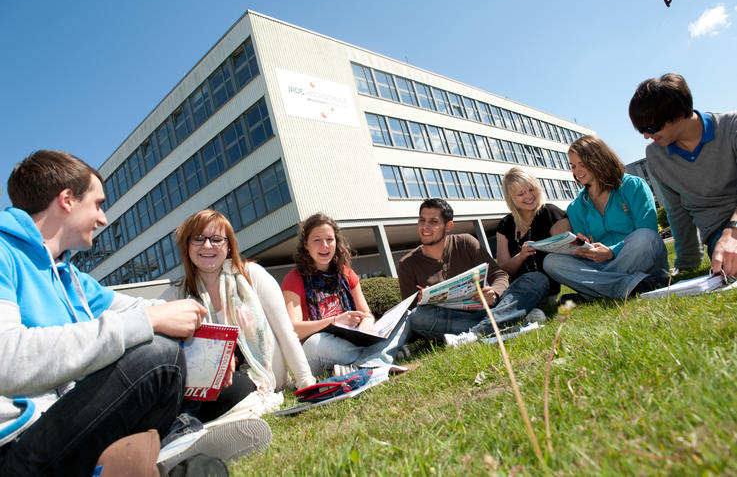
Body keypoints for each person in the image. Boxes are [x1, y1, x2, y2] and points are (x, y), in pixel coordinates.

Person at [0, 151, 269, 476]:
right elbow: (8, 359)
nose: (103, 220)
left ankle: (171, 450)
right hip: (21, 446)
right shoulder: (4, 253)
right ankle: (175, 439)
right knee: (159, 355)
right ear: (67, 199)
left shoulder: (72, 279)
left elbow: (148, 309)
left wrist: (211, 345)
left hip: (71, 422)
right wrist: (149, 322)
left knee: (230, 392)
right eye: (98, 204)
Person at [161, 209, 316, 421]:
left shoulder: (251, 275)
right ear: (187, 246)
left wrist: (306, 382)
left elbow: (285, 331)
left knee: (230, 392)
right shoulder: (175, 295)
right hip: (206, 386)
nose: (207, 246)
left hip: (255, 377)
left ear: (228, 245)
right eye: (198, 239)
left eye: (216, 239)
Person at [397, 198, 550, 348]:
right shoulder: (407, 264)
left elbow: (499, 275)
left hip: (486, 308)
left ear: (448, 226)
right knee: (419, 316)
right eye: (422, 220)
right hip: (451, 319)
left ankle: (475, 334)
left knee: (536, 278)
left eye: (433, 222)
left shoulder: (465, 242)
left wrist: (494, 293)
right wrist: (422, 300)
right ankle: (512, 317)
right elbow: (411, 313)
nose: (425, 227)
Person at [629, 73, 737, 277]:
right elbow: (676, 211)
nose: (646, 136)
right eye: (641, 130)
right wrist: (686, 265)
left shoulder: (732, 126)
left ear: (678, 114)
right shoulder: (656, 155)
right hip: (718, 235)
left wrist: (734, 231)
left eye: (651, 127)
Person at [281, 213, 409, 376]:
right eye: (317, 240)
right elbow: (294, 328)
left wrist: (367, 323)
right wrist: (334, 321)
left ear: (336, 241)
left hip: (355, 340)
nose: (325, 245)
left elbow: (367, 313)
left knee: (405, 316)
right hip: (321, 348)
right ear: (306, 244)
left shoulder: (346, 273)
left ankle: (359, 365)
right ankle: (384, 354)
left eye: (329, 239)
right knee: (313, 344)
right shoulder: (293, 279)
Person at [542, 135, 669, 299]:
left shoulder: (633, 186)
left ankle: (595, 291)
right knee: (551, 261)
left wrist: (611, 251)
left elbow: (649, 231)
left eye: (582, 164)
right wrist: (584, 247)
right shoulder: (575, 208)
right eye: (573, 166)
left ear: (599, 160)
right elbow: (587, 248)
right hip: (601, 266)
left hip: (636, 258)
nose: (577, 171)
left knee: (645, 237)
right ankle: (628, 285)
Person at [496, 167, 569, 301]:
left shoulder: (550, 213)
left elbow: (568, 253)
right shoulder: (505, 224)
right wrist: (521, 256)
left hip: (545, 286)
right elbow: (503, 270)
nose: (529, 196)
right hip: (514, 288)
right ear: (511, 198)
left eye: (531, 189)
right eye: (521, 193)